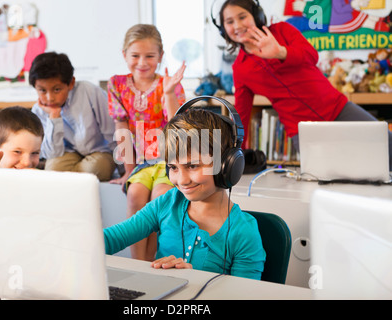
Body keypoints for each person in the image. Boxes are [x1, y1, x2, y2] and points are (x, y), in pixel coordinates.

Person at [218, 0, 392, 170]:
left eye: (242, 17)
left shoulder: (282, 30)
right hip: (303, 130)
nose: (237, 25)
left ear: (256, 16)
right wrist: (233, 156)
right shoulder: (239, 69)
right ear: (223, 28)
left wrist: (280, 52)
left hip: (337, 108)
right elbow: (241, 114)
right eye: (230, 21)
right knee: (333, 176)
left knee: (386, 146)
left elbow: (311, 55)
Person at [104, 108, 266, 279]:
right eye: (173, 167)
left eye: (193, 166)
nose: (182, 181)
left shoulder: (244, 232)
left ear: (227, 167)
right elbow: (112, 238)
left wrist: (195, 281)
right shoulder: (168, 203)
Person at [107, 24, 186, 261]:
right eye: (135, 56)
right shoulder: (117, 84)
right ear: (124, 55)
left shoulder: (169, 84)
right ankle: (137, 263)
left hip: (168, 160)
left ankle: (152, 262)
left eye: (150, 56)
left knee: (160, 197)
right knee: (135, 195)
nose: (142, 62)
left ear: (160, 56)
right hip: (141, 163)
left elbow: (178, 125)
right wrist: (128, 172)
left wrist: (169, 93)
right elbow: (121, 129)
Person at [30, 52, 116, 181]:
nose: (50, 98)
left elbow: (112, 132)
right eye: (42, 90)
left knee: (97, 168)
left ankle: (73, 178)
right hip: (70, 153)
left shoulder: (90, 92)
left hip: (100, 152)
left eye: (57, 89)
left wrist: (125, 171)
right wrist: (54, 116)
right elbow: (53, 154)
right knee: (52, 168)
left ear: (71, 83)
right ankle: (77, 178)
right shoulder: (39, 110)